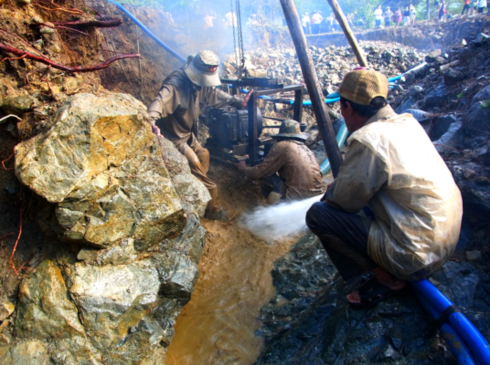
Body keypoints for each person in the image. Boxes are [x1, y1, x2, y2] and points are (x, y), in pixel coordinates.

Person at [305, 69, 463, 308]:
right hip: (444, 242)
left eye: (341, 108)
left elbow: (342, 203)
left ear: (346, 107)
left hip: (414, 257)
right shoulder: (408, 123)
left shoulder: (369, 138)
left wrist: (331, 192)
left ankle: (384, 279)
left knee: (318, 215)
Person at [148, 50, 253, 221]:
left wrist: (237, 101)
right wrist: (150, 121)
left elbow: (214, 94)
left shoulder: (200, 83)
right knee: (202, 173)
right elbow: (159, 101)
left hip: (186, 133)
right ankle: (214, 210)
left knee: (204, 154)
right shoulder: (176, 84)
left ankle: (195, 190)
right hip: (173, 137)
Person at [237, 120, 324, 204]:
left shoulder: (283, 145)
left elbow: (257, 173)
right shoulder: (306, 149)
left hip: (296, 199)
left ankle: (273, 203)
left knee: (265, 175)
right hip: (316, 198)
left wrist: (244, 169)